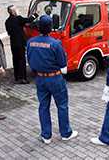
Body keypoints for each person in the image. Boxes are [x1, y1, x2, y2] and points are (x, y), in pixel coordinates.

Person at [27, 15, 78, 144]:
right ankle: (65, 133)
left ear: (38, 27)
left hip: (40, 78)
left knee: (43, 106)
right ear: (51, 28)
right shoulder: (55, 43)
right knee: (62, 105)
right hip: (55, 78)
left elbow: (30, 61)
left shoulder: (30, 42)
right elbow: (62, 63)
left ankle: (46, 135)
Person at [5, 5, 40, 84]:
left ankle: (17, 77)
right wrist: (36, 13)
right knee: (21, 60)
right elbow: (29, 20)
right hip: (20, 43)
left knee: (15, 60)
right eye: (16, 9)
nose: (17, 11)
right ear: (13, 12)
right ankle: (22, 78)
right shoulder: (18, 19)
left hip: (13, 42)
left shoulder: (7, 21)